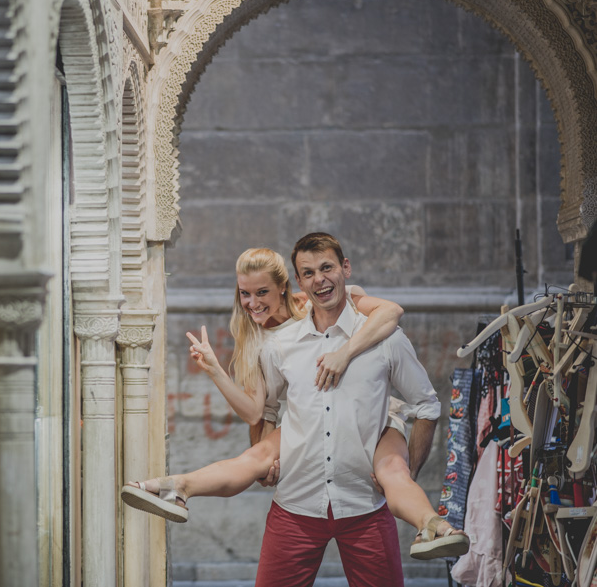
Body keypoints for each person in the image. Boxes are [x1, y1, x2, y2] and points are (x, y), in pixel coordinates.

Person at [120, 240, 468, 570]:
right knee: (254, 459)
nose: (253, 303)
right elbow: (260, 411)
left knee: (393, 472)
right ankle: (177, 487)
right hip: (309, 423)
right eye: (245, 294)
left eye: (262, 293)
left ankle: (432, 525)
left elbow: (390, 311)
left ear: (285, 288)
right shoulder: (258, 341)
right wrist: (215, 372)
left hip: (372, 414)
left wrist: (345, 353)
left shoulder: (319, 302)